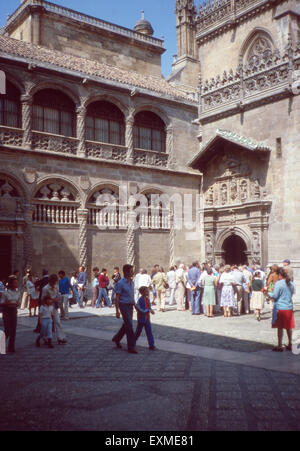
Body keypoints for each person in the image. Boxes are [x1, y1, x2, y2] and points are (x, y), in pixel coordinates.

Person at [112, 264, 137, 354]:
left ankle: (116, 338)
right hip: (123, 305)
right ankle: (131, 347)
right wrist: (117, 311)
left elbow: (131, 295)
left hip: (130, 305)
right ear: (126, 272)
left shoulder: (132, 282)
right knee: (129, 325)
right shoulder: (120, 283)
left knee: (126, 324)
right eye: (131, 271)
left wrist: (135, 305)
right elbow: (117, 298)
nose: (133, 272)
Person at [269, 267, 295, 352]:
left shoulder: (279, 283)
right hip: (289, 307)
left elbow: (275, 296)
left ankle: (279, 345)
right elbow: (292, 293)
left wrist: (268, 292)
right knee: (288, 327)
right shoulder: (291, 283)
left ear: (280, 275)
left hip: (280, 307)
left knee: (280, 327)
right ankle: (290, 343)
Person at [41, 274, 66, 345]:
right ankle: (45, 337)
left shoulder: (56, 287)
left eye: (55, 282)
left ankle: (61, 337)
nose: (54, 284)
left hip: (54, 306)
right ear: (50, 281)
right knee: (47, 323)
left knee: (57, 321)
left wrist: (58, 299)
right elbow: (43, 299)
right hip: (47, 307)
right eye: (53, 282)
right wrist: (51, 300)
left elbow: (57, 294)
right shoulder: (45, 288)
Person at [0, 275, 21, 353]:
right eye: (15, 283)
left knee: (13, 330)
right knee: (7, 329)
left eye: (17, 283)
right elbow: (2, 302)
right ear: (11, 284)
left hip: (14, 311)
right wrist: (11, 304)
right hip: (7, 311)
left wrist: (12, 304)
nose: (16, 284)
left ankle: (11, 347)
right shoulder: (5, 293)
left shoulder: (18, 292)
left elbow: (18, 302)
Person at [135, 286, 156, 350]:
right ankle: (132, 342)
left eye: (148, 291)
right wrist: (147, 310)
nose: (148, 292)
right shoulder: (140, 300)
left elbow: (149, 307)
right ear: (142, 292)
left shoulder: (147, 299)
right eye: (146, 291)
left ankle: (151, 345)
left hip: (147, 318)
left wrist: (151, 310)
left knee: (149, 332)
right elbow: (139, 308)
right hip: (141, 318)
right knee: (138, 332)